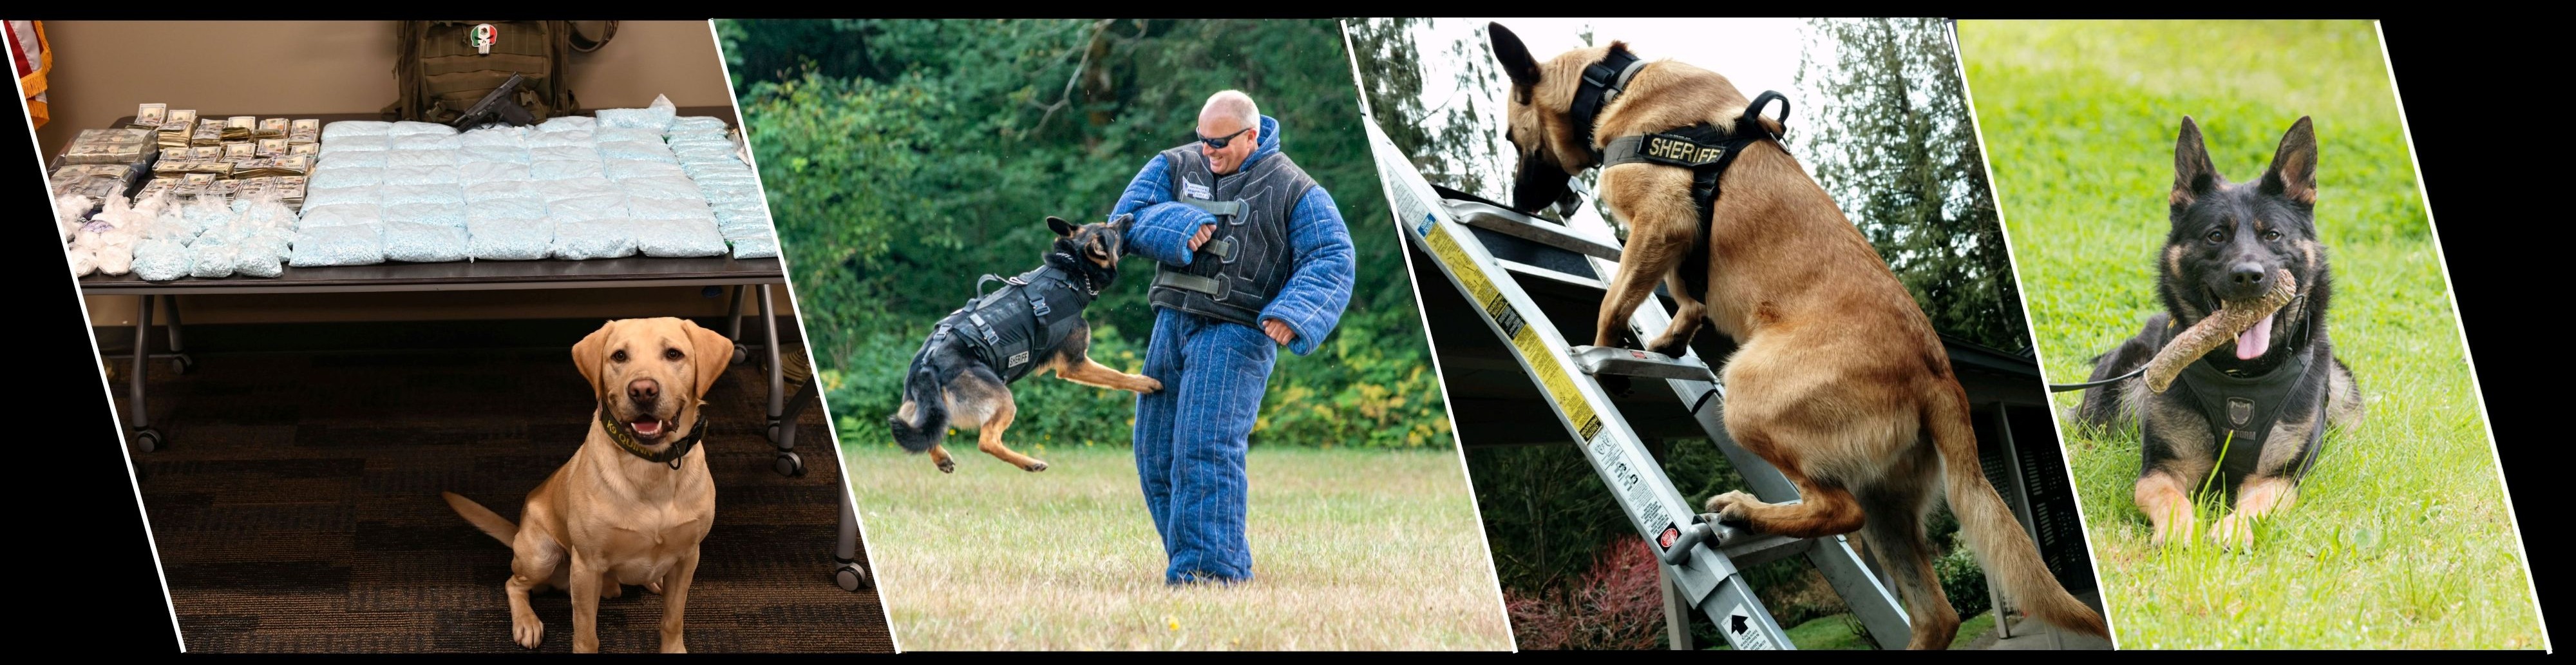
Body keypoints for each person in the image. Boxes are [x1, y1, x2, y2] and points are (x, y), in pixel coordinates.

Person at [1112, 90, 1355, 584]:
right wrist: (1177, 223)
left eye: (1219, 143)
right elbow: (1125, 220)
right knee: (1155, 451)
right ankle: (1197, 555)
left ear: (1251, 135)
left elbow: (1332, 256)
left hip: (1239, 332)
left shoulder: (1296, 189)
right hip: (1172, 323)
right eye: (1202, 140)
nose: (1207, 151)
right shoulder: (1174, 165)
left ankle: (1212, 573)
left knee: (1205, 447)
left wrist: (1295, 312)